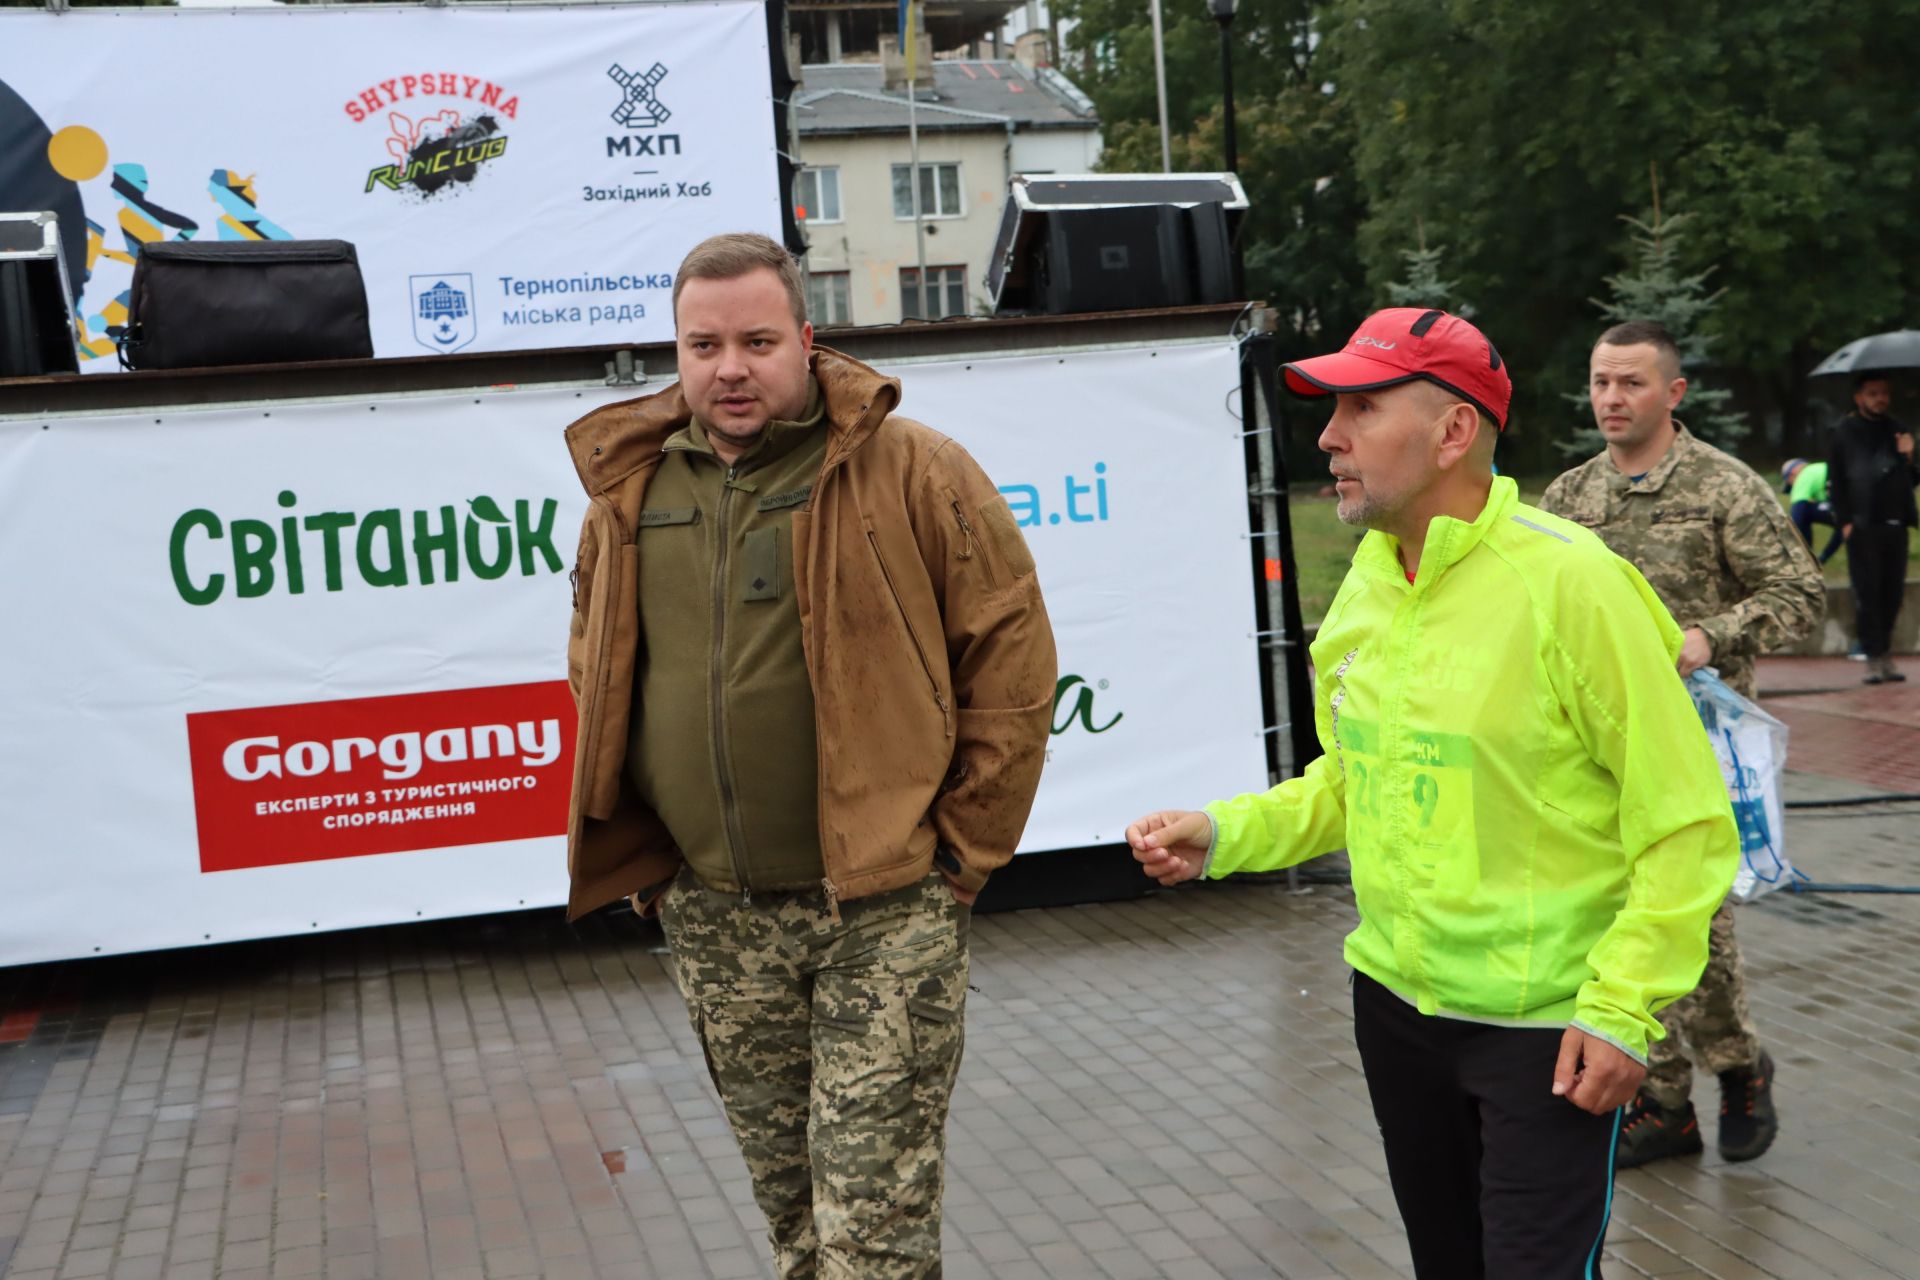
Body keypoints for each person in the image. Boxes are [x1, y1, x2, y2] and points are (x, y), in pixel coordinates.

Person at [1127, 308, 1738, 1279]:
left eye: (1361, 408)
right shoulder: (1368, 585)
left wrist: (1623, 1008)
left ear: (1454, 431)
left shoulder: (1575, 584)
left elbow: (1687, 822)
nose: (1329, 437)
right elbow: (1353, 779)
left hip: (1544, 1033)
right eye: (1333, 411)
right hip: (1396, 1012)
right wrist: (1224, 832)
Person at [558, 232, 1056, 1278]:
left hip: (883, 913)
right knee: (798, 1228)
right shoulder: (631, 492)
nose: (729, 368)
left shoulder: (911, 468)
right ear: (677, 351)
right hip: (716, 918)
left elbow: (1011, 661)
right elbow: (595, 668)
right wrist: (659, 872)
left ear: (806, 339)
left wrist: (961, 856)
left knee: (871, 1238)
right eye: (703, 345)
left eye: (757, 341)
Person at [1540, 320, 1822, 1170]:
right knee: (1619, 913)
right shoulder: (1568, 498)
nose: (1611, 398)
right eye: (1600, 381)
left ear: (1673, 392)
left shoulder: (1723, 486)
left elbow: (1799, 594)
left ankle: (1737, 1067)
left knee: (1695, 919)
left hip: (1700, 744)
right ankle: (1664, 1102)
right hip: (1598, 748)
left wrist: (1711, 634)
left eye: (1630, 383)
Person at [1829, 373, 1917, 684]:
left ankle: (1886, 653)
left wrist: (1909, 456)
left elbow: (1911, 480)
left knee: (1892, 593)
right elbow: (1836, 480)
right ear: (1859, 397)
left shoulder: (1898, 428)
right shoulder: (1844, 431)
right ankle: (1873, 657)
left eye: (1884, 393)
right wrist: (1845, 522)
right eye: (1873, 393)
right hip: (1862, 525)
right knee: (1868, 593)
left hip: (1896, 524)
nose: (1880, 399)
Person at [1782, 457, 1844, 565]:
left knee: (1805, 512)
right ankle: (1815, 560)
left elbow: (1797, 518)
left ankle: (1808, 560)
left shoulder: (1804, 475)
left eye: (1791, 484)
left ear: (1793, 473)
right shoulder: (1820, 470)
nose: (1793, 487)